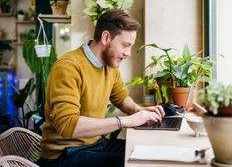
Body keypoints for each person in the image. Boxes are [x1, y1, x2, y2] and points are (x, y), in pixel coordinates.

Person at [37, 10, 165, 167]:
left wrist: (137, 110)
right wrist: (126, 121)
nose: (128, 53)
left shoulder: (109, 65)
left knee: (147, 153)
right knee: (137, 163)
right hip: (63, 156)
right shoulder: (69, 67)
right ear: (106, 37)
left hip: (95, 144)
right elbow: (68, 125)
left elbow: (121, 98)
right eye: (125, 45)